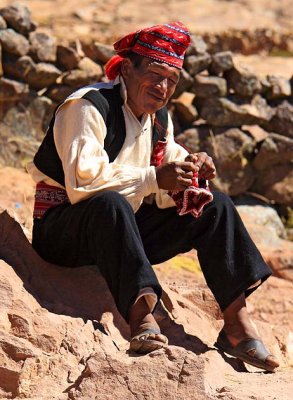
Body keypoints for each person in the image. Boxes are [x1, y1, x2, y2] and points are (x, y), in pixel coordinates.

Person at [27, 21, 279, 372]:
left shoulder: (157, 118)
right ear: (127, 68)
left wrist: (191, 170)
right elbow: (83, 183)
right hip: (64, 232)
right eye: (156, 75)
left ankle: (237, 327)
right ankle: (141, 318)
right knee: (109, 203)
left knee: (216, 205)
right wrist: (153, 178)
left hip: (121, 232)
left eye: (172, 81)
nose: (163, 88)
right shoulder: (88, 107)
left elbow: (165, 165)